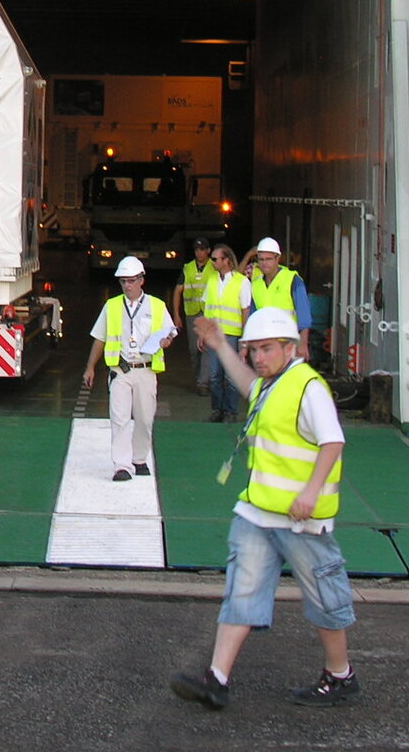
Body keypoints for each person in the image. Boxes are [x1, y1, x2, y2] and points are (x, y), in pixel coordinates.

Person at [170, 307, 362, 711]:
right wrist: (222, 345)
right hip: (258, 513)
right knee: (242, 589)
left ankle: (340, 675)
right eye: (254, 350)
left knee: (326, 598)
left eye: (267, 349)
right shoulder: (272, 386)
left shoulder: (307, 388)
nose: (259, 357)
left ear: (290, 348)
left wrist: (310, 494)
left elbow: (333, 442)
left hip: (301, 520)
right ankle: (216, 679)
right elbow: (248, 386)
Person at [83, 256, 176, 481]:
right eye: (124, 281)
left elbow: (170, 332)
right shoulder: (112, 306)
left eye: (132, 280)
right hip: (120, 370)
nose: (128, 285)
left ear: (142, 280)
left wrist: (165, 342)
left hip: (146, 369)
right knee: (120, 418)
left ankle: (139, 458)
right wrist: (90, 368)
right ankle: (122, 465)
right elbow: (100, 338)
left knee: (145, 418)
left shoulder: (156, 305)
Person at [200, 242, 251, 424]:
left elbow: (245, 311)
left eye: (215, 259)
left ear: (226, 260)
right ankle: (217, 409)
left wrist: (245, 340)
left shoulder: (242, 282)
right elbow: (207, 309)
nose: (211, 262)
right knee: (215, 376)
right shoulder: (212, 280)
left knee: (230, 376)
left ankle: (231, 411)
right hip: (214, 336)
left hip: (232, 335)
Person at [242, 236, 313, 361]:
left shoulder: (292, 280)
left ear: (277, 258)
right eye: (261, 259)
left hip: (288, 343)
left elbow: (304, 315)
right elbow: (253, 318)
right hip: (265, 344)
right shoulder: (256, 285)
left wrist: (303, 343)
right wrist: (246, 346)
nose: (264, 263)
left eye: (268, 259)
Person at [170, 237, 214, 395]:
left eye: (202, 249)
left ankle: (203, 383)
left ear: (208, 251)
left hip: (209, 313)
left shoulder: (214, 267)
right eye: (196, 250)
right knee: (194, 350)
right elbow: (178, 291)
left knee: (207, 348)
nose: (199, 253)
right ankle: (200, 379)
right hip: (192, 313)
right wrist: (176, 314)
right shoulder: (187, 268)